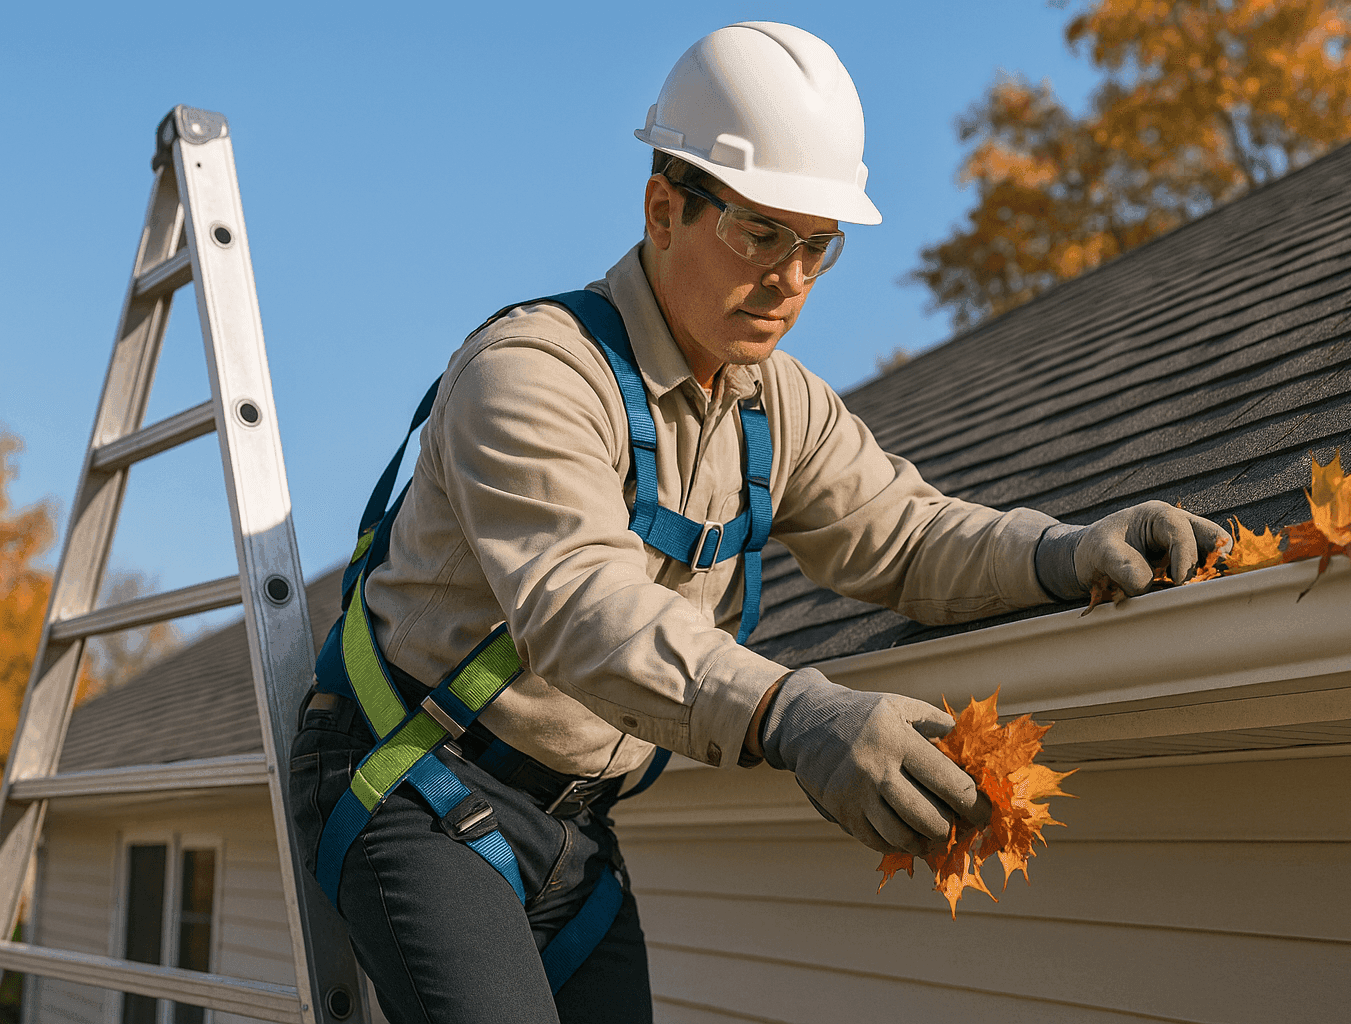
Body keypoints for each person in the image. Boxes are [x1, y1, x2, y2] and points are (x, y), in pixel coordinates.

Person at [289, 21, 1229, 1024]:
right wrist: (795, 712)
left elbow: (906, 535)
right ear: (663, 207)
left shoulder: (778, 408)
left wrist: (1066, 549)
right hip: (413, 776)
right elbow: (578, 605)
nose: (788, 279)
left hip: (574, 823)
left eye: (818, 246)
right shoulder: (532, 373)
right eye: (758, 233)